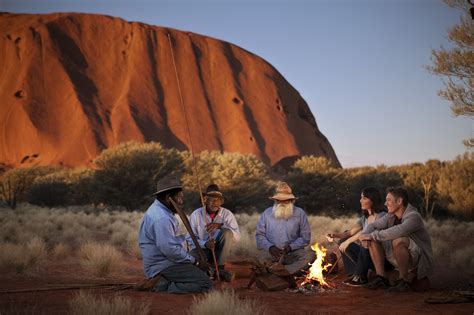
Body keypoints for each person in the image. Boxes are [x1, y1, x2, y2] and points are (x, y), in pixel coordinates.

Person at [138, 177, 212, 294]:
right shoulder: (162, 218)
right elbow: (170, 250)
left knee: (202, 271)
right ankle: (162, 285)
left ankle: (167, 280)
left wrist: (193, 261)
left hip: (170, 261)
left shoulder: (163, 211)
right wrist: (195, 262)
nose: (181, 202)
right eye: (179, 198)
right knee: (205, 284)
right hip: (162, 265)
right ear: (168, 198)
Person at [359, 187, 434, 292]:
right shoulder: (390, 216)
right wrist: (365, 235)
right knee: (372, 238)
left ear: (399, 201)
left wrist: (371, 235)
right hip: (395, 256)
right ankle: (381, 278)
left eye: (388, 200)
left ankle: (403, 281)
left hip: (416, 260)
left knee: (398, 240)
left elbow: (397, 231)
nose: (385, 204)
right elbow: (374, 225)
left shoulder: (413, 217)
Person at [327, 187, 387, 286]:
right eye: (361, 198)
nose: (360, 200)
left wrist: (349, 241)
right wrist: (334, 235)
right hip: (367, 256)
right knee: (343, 241)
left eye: (364, 198)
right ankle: (353, 274)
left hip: (380, 257)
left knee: (365, 240)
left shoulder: (382, 216)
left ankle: (360, 276)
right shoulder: (365, 218)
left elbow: (368, 232)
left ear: (372, 199)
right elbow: (350, 232)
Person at [256, 182, 315, 276]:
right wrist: (271, 247)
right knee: (259, 259)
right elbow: (259, 235)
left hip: (293, 253)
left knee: (309, 256)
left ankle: (283, 272)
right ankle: (281, 271)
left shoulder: (300, 213)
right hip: (272, 253)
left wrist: (291, 247)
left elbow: (305, 237)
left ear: (292, 200)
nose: (282, 203)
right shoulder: (267, 213)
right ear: (275, 201)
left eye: (286, 200)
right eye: (279, 200)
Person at [188, 184, 240, 282]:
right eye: (211, 199)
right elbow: (189, 238)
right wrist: (205, 244)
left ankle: (219, 268)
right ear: (205, 200)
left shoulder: (227, 214)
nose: (215, 203)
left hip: (220, 252)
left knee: (228, 232)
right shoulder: (196, 215)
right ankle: (215, 272)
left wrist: (220, 226)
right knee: (190, 256)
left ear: (221, 201)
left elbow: (237, 237)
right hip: (203, 251)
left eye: (217, 200)